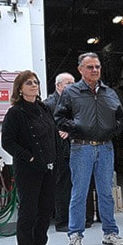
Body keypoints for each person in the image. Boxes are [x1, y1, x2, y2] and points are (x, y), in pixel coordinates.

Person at [55, 52, 123, 245]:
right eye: (90, 67)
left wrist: (112, 132)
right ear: (80, 69)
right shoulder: (70, 93)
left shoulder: (109, 93)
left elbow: (122, 118)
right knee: (79, 192)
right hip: (81, 147)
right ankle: (75, 235)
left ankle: (110, 232)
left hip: (105, 147)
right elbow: (59, 117)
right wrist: (77, 127)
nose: (94, 70)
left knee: (106, 192)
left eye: (97, 66)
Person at [1, 71, 58, 245]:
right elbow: (7, 142)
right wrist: (29, 157)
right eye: (28, 83)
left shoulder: (44, 108)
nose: (34, 85)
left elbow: (53, 135)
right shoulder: (15, 113)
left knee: (46, 209)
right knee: (29, 210)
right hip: (28, 170)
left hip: (48, 167)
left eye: (36, 82)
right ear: (20, 88)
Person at [44, 72, 74, 232]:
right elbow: (47, 127)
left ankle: (75, 219)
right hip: (58, 151)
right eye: (68, 83)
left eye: (73, 83)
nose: (72, 86)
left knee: (72, 185)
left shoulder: (73, 101)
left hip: (73, 149)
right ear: (58, 86)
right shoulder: (49, 104)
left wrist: (70, 130)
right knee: (62, 185)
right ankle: (62, 221)